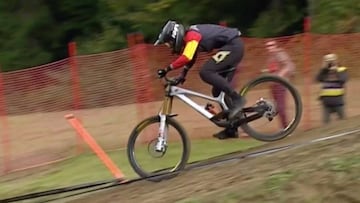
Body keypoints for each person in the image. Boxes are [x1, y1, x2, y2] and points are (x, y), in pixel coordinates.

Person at [154, 20, 245, 139]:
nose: (170, 46)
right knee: (218, 92)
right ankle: (232, 128)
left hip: (233, 46)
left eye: (169, 43)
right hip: (232, 47)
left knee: (206, 72)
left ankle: (238, 99)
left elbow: (187, 57)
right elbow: (192, 57)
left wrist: (167, 69)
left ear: (175, 36)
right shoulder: (190, 37)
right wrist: (182, 75)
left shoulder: (192, 35)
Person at [262, 40, 295, 129]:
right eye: (268, 46)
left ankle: (286, 127)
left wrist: (281, 74)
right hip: (273, 85)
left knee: (281, 107)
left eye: (271, 45)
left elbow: (289, 66)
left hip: (280, 84)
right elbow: (273, 69)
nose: (269, 48)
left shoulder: (280, 54)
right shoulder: (270, 57)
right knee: (276, 108)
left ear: (275, 46)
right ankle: (283, 127)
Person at [315, 53, 348, 124]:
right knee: (325, 124)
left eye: (332, 60)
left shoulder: (342, 69)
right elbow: (318, 79)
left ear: (336, 60)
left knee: (344, 123)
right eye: (328, 61)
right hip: (326, 102)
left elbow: (343, 79)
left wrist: (336, 70)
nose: (330, 62)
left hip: (338, 101)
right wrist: (323, 68)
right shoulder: (324, 71)